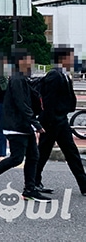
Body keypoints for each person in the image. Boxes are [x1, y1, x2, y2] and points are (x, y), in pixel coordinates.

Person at [0, 51, 51, 201]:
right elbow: (21, 103)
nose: (32, 62)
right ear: (21, 61)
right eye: (30, 59)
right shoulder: (17, 79)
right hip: (16, 124)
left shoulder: (22, 77)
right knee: (17, 158)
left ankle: (29, 189)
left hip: (22, 124)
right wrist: (35, 123)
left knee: (33, 155)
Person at [34, 47, 86, 196]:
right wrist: (49, 122)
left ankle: (84, 184)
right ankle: (33, 182)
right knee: (43, 153)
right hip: (52, 121)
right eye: (70, 57)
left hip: (61, 120)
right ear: (62, 59)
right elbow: (49, 101)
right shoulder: (54, 75)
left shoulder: (63, 74)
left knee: (71, 153)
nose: (73, 60)